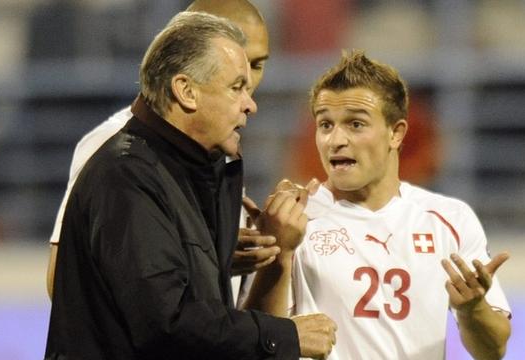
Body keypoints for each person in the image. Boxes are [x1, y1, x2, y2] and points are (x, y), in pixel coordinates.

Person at [45, 11, 337, 359]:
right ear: (186, 91)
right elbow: (165, 324)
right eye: (237, 87)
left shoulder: (196, 170)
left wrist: (219, 256)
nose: (251, 104)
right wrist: (286, 335)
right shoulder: (125, 175)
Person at [244, 50, 512, 360]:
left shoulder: (449, 220)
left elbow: (493, 350)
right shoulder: (291, 220)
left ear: (396, 133)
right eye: (325, 125)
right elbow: (256, 347)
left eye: (355, 125)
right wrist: (281, 254)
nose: (335, 140)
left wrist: (472, 308)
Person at [46, 0, 279, 302]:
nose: (248, 80)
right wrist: (201, 260)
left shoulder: (220, 151)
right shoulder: (113, 146)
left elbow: (222, 318)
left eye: (257, 65)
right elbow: (63, 281)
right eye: (235, 68)